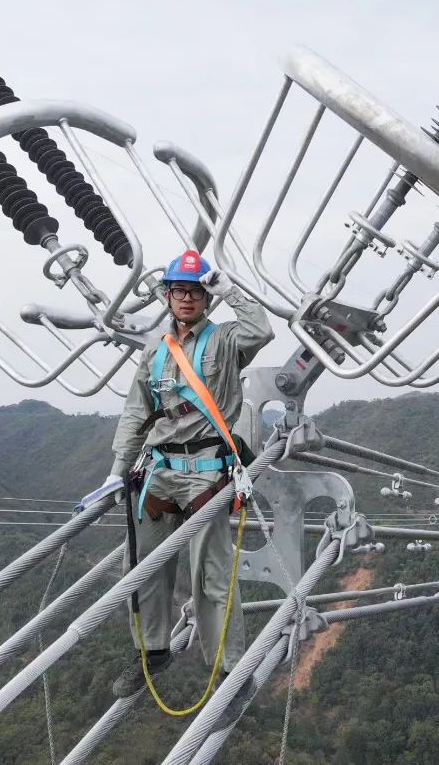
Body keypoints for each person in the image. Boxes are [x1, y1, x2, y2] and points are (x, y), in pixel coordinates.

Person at [106, 249, 273, 698]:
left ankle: (227, 670)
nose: (186, 299)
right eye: (179, 291)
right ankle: (153, 651)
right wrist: (117, 471)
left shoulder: (226, 340)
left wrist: (231, 292)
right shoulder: (155, 351)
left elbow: (262, 330)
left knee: (211, 575)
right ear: (167, 295)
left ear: (206, 298)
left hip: (207, 471)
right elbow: (136, 412)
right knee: (142, 566)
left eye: (195, 292)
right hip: (159, 470)